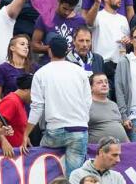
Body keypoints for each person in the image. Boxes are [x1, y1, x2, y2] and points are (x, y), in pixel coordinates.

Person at [24, 36, 91, 175]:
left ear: (49, 51)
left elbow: (36, 107)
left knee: (44, 167)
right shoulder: (80, 71)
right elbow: (88, 102)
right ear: (67, 51)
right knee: (75, 177)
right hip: (79, 129)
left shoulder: (40, 73)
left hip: (55, 132)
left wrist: (26, 134)